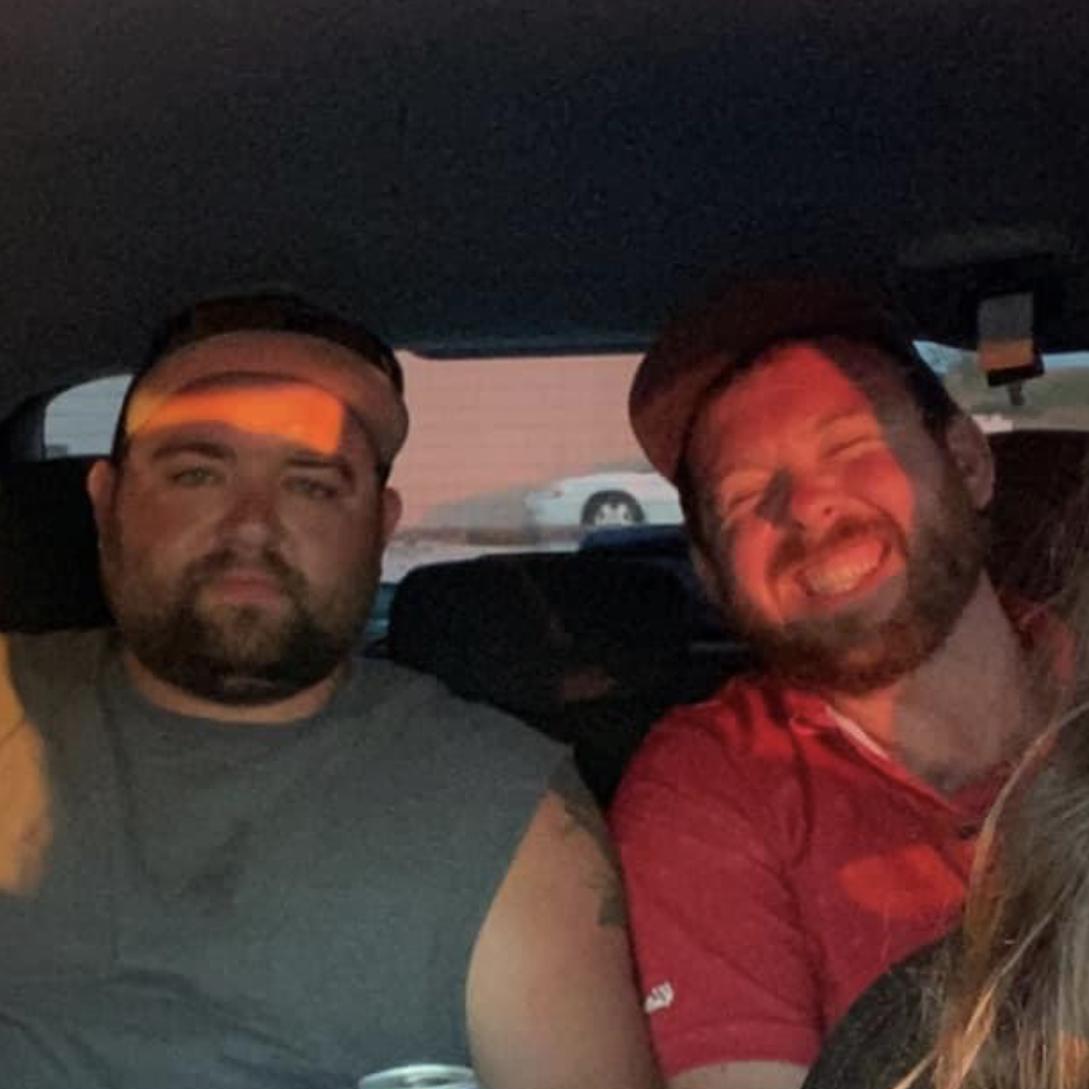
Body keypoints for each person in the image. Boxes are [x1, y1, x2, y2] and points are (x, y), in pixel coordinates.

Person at [0, 291, 661, 1089]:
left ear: (381, 524)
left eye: (311, 484)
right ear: (106, 501)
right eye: (197, 473)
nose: (251, 523)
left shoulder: (505, 806)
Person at [609, 278, 1059, 1089]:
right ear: (713, 577)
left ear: (965, 462)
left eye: (852, 446)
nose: (806, 506)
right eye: (746, 496)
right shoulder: (712, 786)